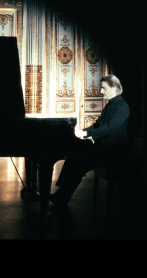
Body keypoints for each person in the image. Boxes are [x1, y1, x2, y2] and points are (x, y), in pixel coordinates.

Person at [49, 74, 130, 207]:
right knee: (73, 156)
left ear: (114, 88)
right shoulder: (110, 105)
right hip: (103, 149)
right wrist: (81, 131)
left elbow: (109, 127)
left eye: (104, 88)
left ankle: (63, 197)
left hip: (113, 152)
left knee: (79, 163)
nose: (101, 91)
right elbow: (97, 125)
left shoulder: (122, 106)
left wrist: (88, 133)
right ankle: (62, 193)